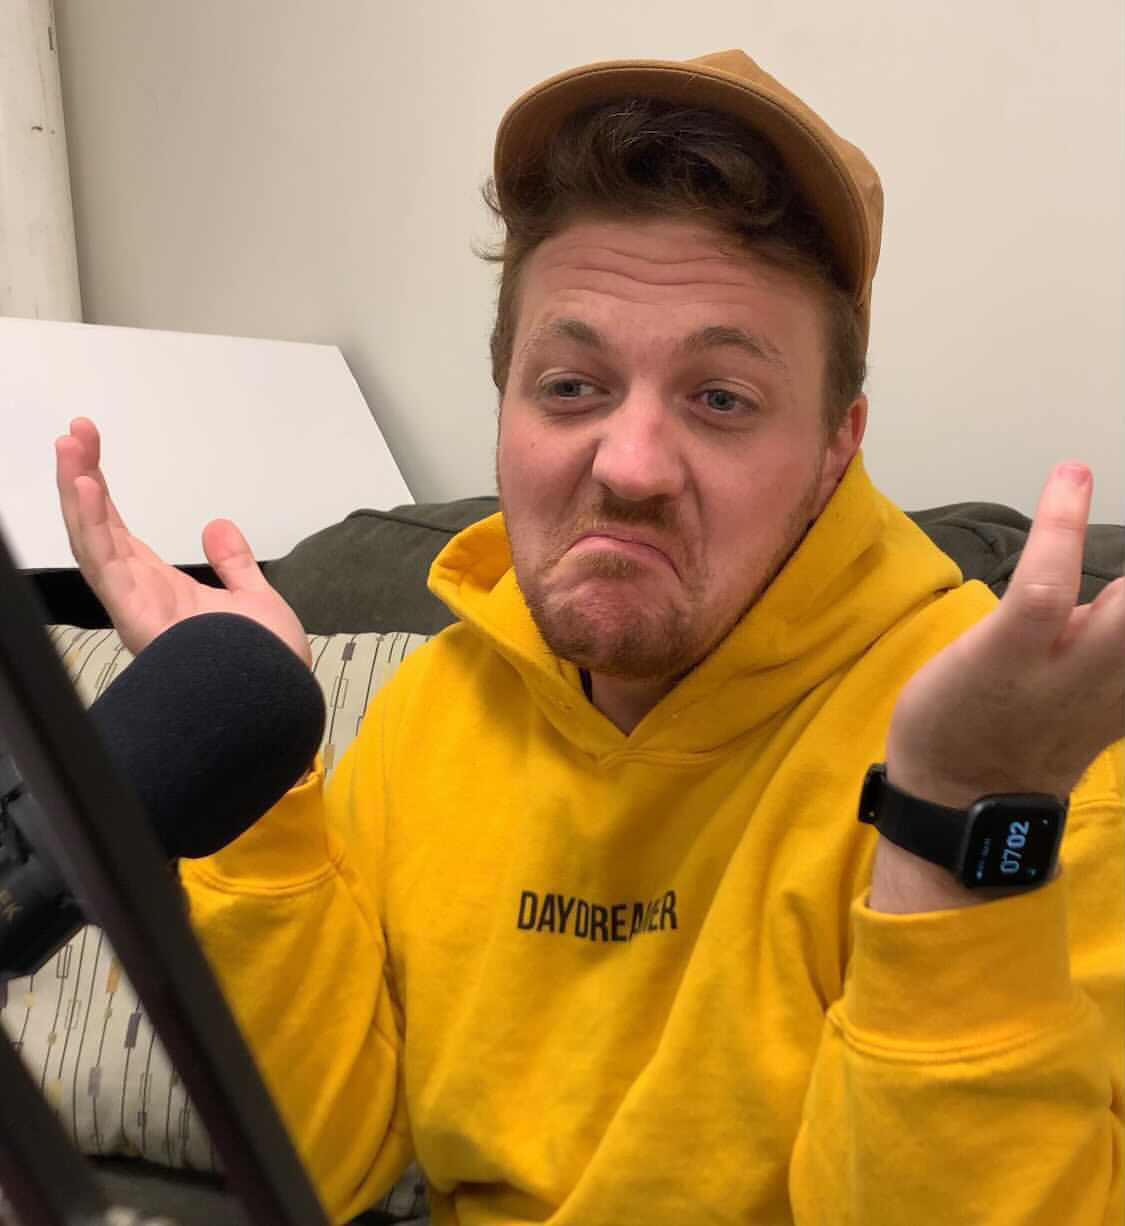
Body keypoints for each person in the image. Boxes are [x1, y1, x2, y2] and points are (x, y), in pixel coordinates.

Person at [55, 49, 1122, 1226]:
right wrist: (253, 789)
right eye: (571, 386)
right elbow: (321, 1161)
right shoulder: (435, 712)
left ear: (836, 447)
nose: (632, 465)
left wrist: (955, 834)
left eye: (721, 397)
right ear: (504, 401)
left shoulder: (1019, 756)